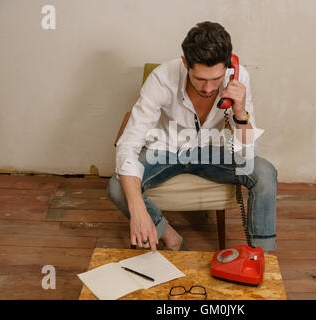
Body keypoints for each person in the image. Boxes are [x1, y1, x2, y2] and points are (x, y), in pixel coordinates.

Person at [108, 21, 278, 252]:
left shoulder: (239, 79)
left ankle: (262, 256)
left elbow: (247, 155)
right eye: (200, 79)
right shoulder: (161, 79)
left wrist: (239, 112)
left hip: (212, 152)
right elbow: (129, 143)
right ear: (185, 63)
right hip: (167, 150)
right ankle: (169, 236)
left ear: (229, 67)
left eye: (216, 79)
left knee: (265, 172)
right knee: (118, 187)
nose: (209, 88)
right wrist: (138, 210)